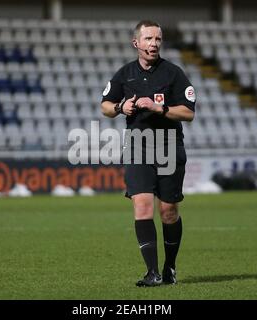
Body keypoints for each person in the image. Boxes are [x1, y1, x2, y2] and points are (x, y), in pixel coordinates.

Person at [101, 20, 196, 287]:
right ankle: (152, 272)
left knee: (168, 211)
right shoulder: (124, 74)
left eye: (157, 39)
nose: (154, 44)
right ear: (136, 43)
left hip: (168, 145)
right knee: (142, 205)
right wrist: (121, 107)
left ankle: (170, 267)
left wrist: (161, 110)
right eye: (148, 39)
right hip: (137, 145)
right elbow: (104, 106)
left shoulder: (173, 74)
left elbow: (188, 112)